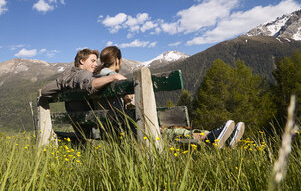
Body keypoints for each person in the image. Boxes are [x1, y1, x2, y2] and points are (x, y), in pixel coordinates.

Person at [94, 46, 246, 148]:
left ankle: (217, 137)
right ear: (118, 60)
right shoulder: (117, 79)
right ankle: (211, 136)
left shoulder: (94, 81)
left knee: (169, 130)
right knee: (171, 130)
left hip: (108, 130)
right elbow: (135, 105)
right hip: (128, 129)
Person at [39, 48, 127, 138]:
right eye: (92, 61)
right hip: (90, 123)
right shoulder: (84, 74)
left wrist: (64, 88)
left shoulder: (65, 76)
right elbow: (90, 84)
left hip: (77, 123)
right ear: (82, 61)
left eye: (96, 61)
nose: (96, 65)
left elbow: (45, 91)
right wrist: (114, 77)